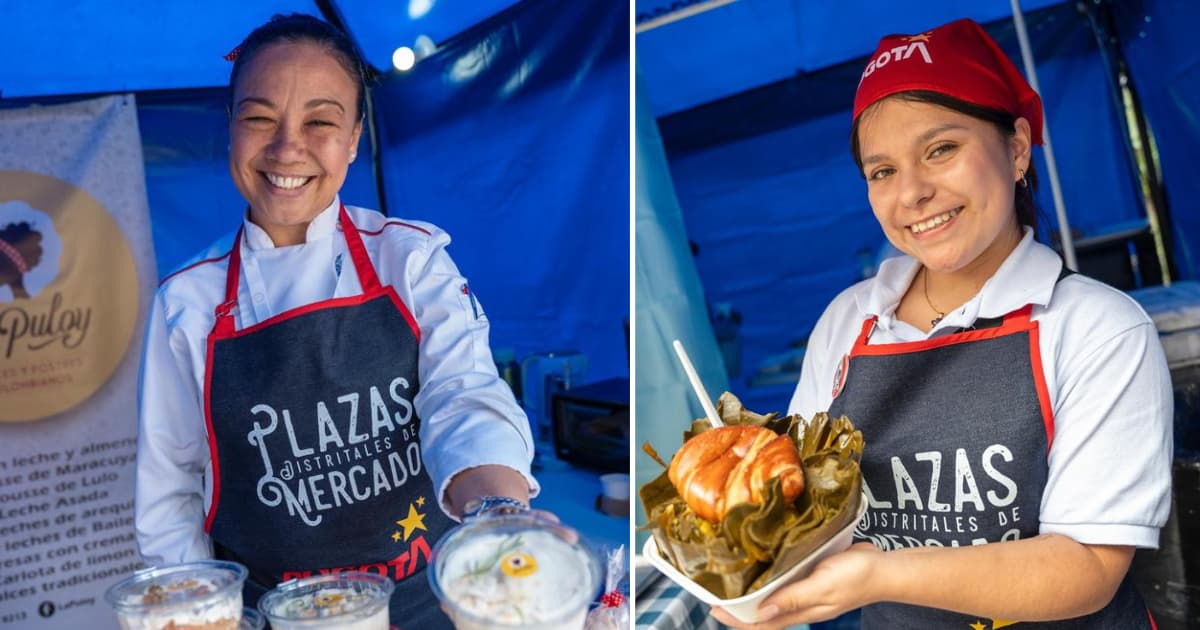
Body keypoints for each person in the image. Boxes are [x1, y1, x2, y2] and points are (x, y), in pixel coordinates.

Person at [712, 17, 1173, 629]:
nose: (913, 193)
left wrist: (880, 573)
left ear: (1015, 149)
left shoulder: (1099, 328)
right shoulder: (848, 322)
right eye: (883, 172)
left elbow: (1087, 566)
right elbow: (799, 508)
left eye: (941, 150)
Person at [135, 14, 537, 629]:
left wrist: (496, 512)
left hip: (431, 603)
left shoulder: (410, 259)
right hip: (273, 615)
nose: (286, 147)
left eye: (320, 121)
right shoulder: (185, 303)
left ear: (353, 138)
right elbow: (170, 492)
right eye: (259, 117)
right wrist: (198, 615)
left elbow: (463, 395)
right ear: (231, 129)